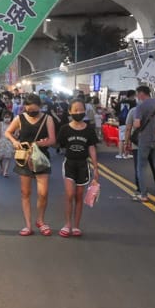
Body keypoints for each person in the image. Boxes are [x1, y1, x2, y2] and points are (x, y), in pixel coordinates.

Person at [5, 94, 57, 236]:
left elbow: (52, 139)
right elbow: (8, 132)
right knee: (25, 193)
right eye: (28, 110)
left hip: (41, 158)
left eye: (34, 110)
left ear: (40, 107)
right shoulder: (19, 118)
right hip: (24, 158)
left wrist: (38, 144)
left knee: (43, 193)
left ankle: (40, 220)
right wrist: (15, 142)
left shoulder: (48, 119)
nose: (31, 112)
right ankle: (28, 225)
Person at [56, 100, 99, 237]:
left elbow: (91, 147)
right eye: (75, 110)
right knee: (69, 195)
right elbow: (60, 145)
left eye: (81, 110)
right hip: (69, 163)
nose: (78, 112)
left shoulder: (89, 129)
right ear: (70, 112)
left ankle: (76, 226)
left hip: (83, 165)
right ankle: (67, 224)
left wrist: (96, 168)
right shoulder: (64, 129)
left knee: (79, 196)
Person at [131, 85, 155, 202]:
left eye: (137, 94)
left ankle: (143, 194)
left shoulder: (140, 106)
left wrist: (135, 123)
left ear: (141, 93)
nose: (137, 97)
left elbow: (137, 124)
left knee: (141, 167)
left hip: (145, 139)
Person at [0, 111, 16, 177]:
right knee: (1, 157)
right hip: (2, 141)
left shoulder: (13, 124)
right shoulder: (1, 123)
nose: (7, 119)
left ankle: (5, 171)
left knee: (8, 157)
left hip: (9, 142)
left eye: (8, 117)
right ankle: (1, 167)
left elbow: (15, 134)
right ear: (3, 117)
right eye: (5, 117)